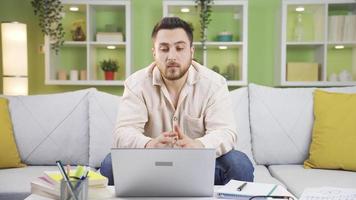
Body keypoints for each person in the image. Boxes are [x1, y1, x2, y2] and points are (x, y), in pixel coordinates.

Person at [100, 17, 254, 185]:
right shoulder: (136, 84)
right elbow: (123, 132)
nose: (172, 56)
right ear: (154, 53)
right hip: (151, 165)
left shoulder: (214, 84)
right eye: (164, 49)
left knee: (240, 164)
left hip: (199, 164)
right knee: (109, 165)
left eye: (180, 48)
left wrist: (198, 145)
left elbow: (225, 132)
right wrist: (150, 144)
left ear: (191, 52)